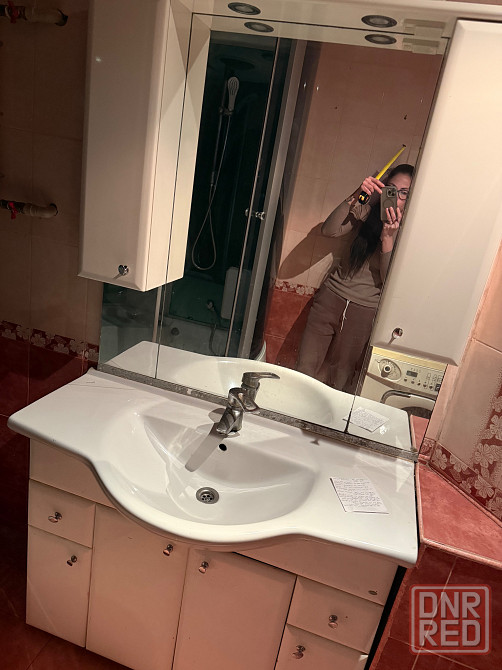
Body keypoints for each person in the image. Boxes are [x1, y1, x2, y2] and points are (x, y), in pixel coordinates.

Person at [296, 164, 414, 392]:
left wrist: (387, 238)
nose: (395, 197)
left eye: (404, 193)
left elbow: (389, 282)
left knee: (340, 379)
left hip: (364, 311)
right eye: (391, 189)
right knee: (304, 369)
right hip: (330, 298)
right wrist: (356, 195)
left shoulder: (408, 235)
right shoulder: (366, 212)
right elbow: (329, 230)